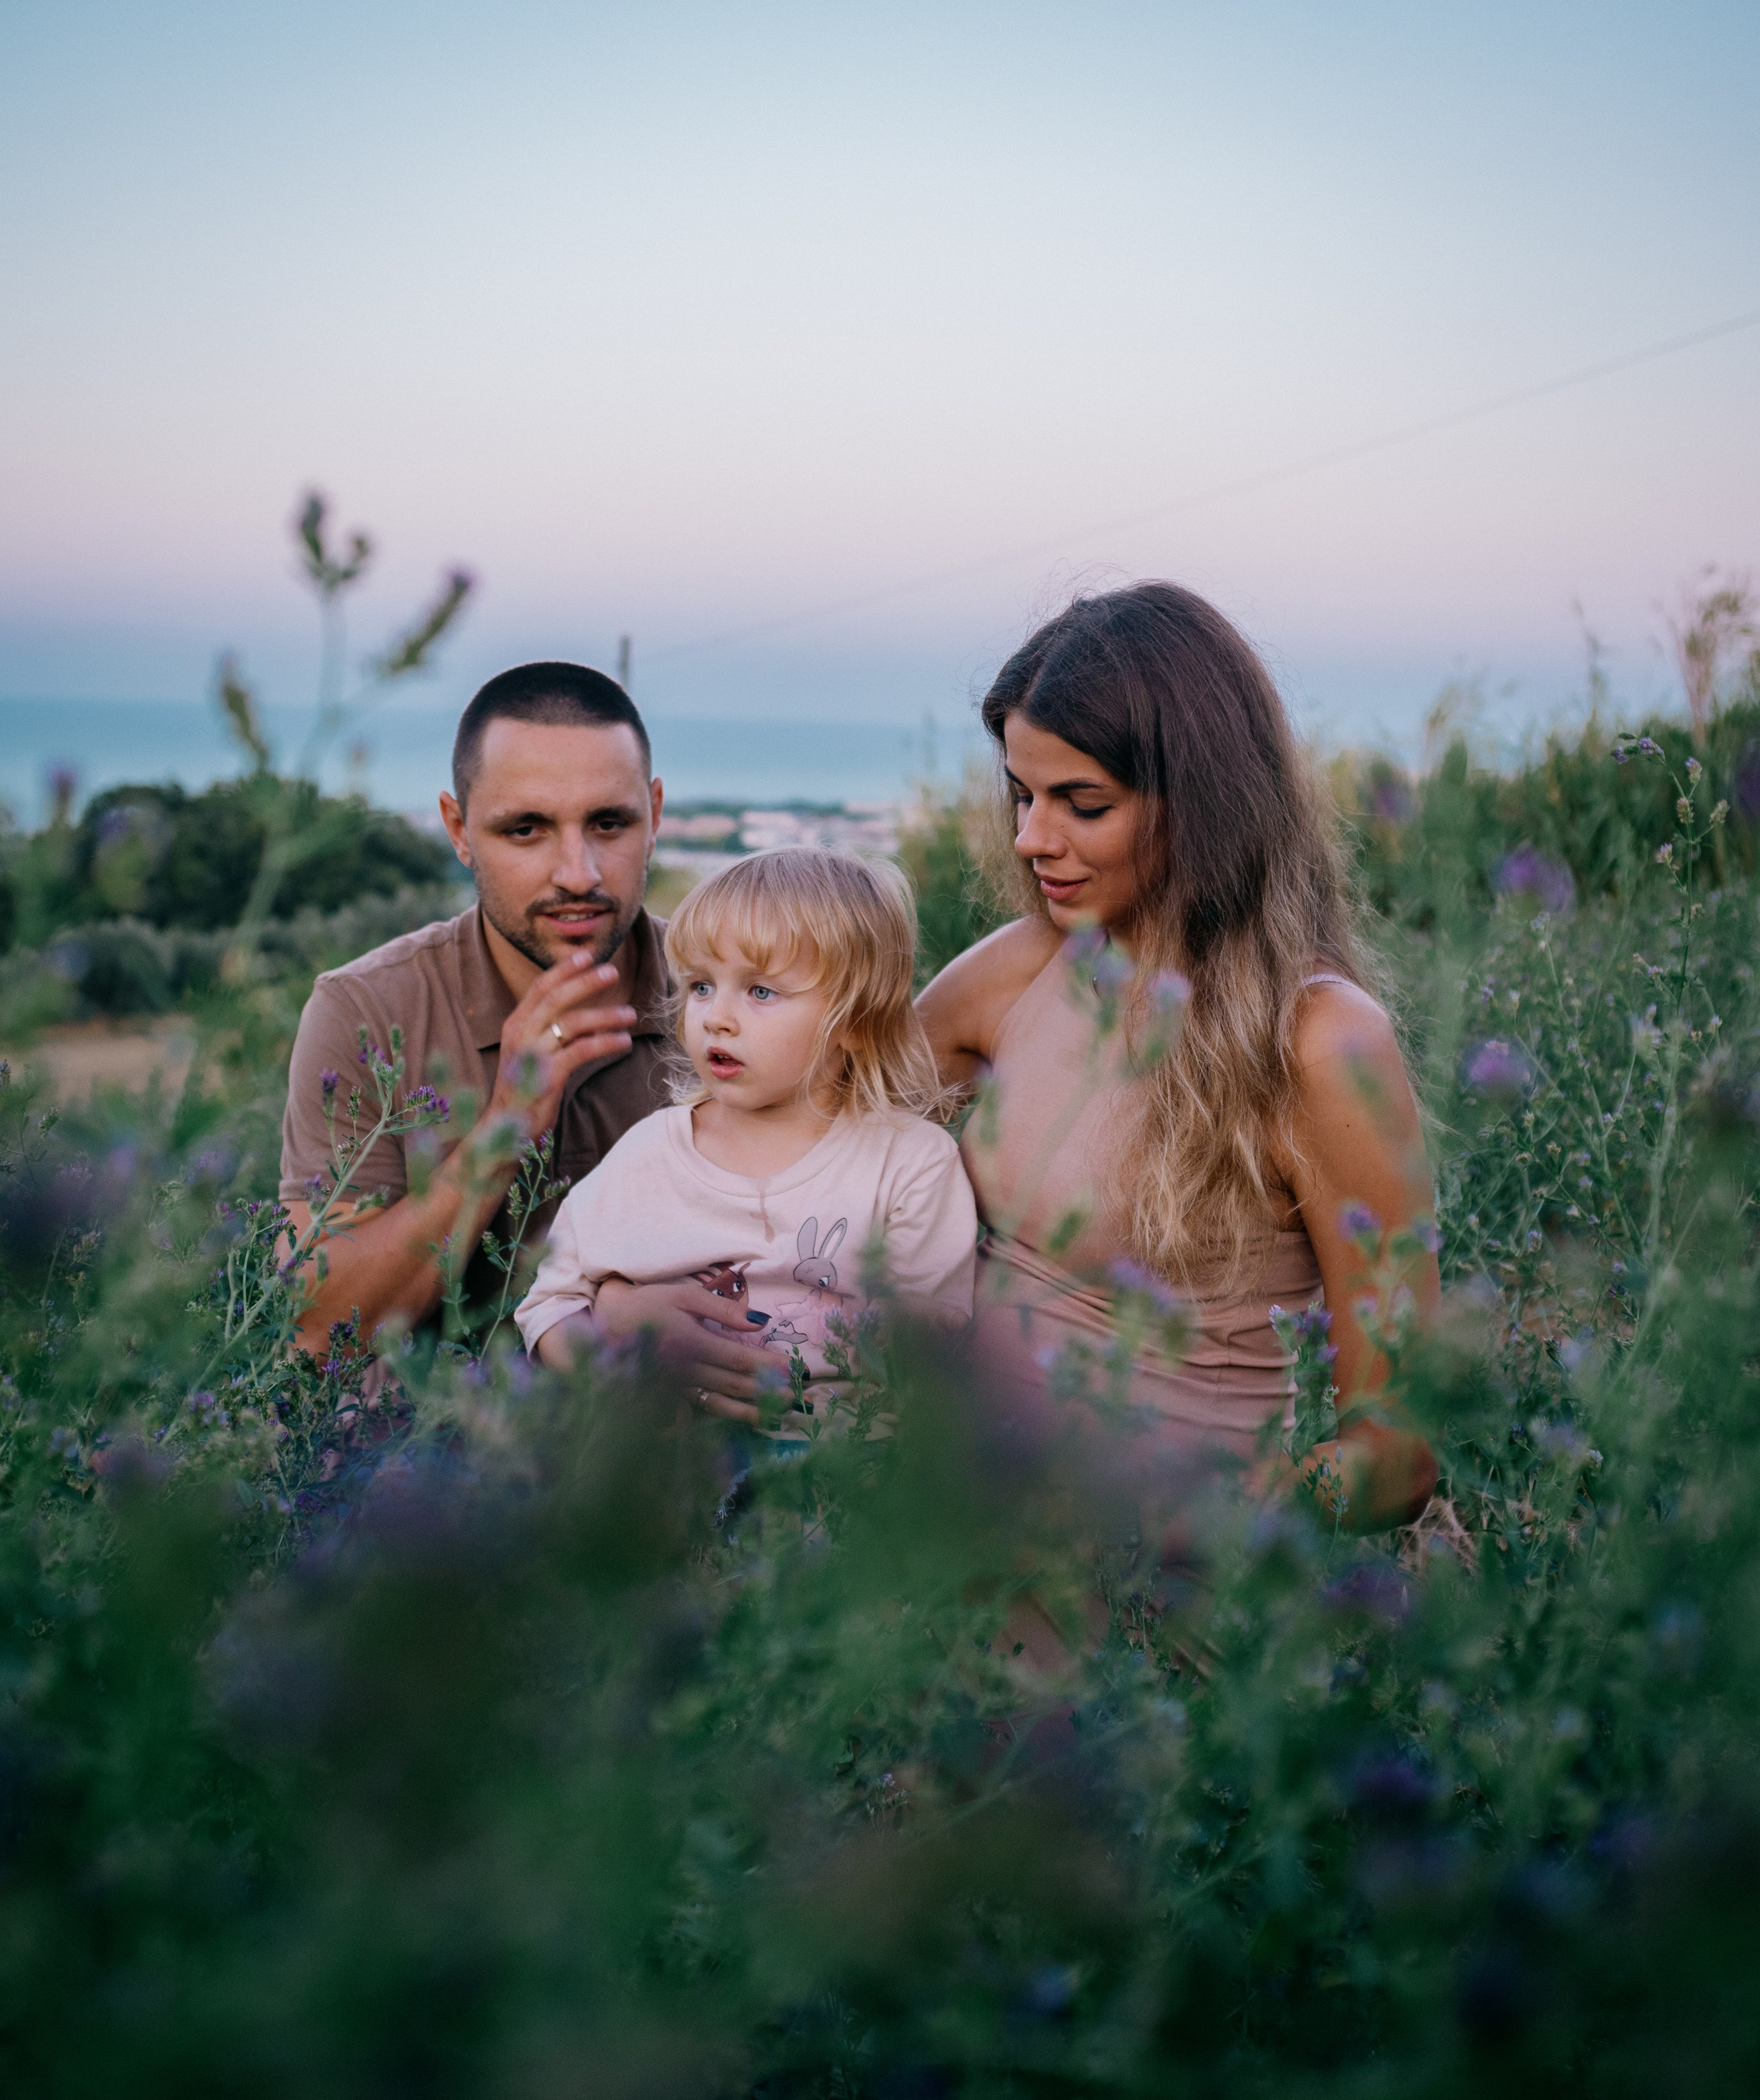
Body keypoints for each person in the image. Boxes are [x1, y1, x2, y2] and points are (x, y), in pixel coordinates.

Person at [916, 582, 1440, 1533]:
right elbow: (813, 1137)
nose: (1031, 839)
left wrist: (1200, 1519)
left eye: (1082, 804)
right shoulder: (1022, 968)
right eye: (1022, 795)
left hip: (1149, 1574)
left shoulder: (1318, 1041)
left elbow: (1398, 1455)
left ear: (1201, 804)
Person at [277, 661, 758, 1398]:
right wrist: (503, 1131)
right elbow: (319, 1329)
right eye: (526, 829)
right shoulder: (366, 1012)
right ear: (459, 830)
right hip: (434, 1458)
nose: (578, 873)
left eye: (609, 823)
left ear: (655, 815)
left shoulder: (740, 1002)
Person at [516, 849, 978, 1444]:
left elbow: (934, 1351)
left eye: (761, 991)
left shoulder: (909, 1162)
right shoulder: (649, 1154)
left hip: (841, 1464)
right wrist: (612, 1371)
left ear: (857, 1023)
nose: (717, 1018)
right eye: (701, 986)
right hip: (669, 1459)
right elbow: (548, 1304)